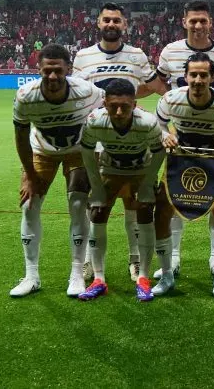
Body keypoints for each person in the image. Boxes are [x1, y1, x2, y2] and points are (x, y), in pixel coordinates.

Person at [74, 2, 167, 283]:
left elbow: (158, 87)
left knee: (133, 206)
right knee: (96, 206)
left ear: (124, 25)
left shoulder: (137, 55)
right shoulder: (83, 56)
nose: (111, 24)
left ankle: (136, 262)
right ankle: (91, 264)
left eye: (117, 20)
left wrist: (167, 116)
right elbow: (79, 96)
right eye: (107, 20)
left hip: (131, 141)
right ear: (98, 23)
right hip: (98, 140)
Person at [9, 43, 104, 298]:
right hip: (42, 151)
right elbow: (20, 136)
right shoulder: (26, 96)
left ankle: (76, 274)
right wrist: (29, 175)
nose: (52, 76)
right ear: (38, 69)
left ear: (68, 70)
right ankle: (31, 276)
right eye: (47, 71)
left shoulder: (86, 91)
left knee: (77, 204)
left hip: (77, 152)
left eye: (58, 71)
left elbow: (111, 106)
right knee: (29, 205)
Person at [155, 1, 214, 279]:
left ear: (210, 22)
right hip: (181, 143)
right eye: (193, 21)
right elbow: (159, 85)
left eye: (203, 20)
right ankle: (174, 259)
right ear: (184, 21)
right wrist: (166, 133)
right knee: (174, 202)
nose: (198, 25)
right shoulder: (170, 51)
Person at [77, 78, 165, 303]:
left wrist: (147, 184)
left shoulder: (147, 122)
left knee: (145, 212)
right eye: (112, 105)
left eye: (124, 106)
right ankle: (98, 280)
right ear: (104, 102)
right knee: (97, 212)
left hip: (140, 170)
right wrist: (96, 187)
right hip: (110, 168)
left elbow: (159, 152)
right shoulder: (95, 121)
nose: (118, 112)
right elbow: (87, 153)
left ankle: (143, 279)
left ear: (134, 104)